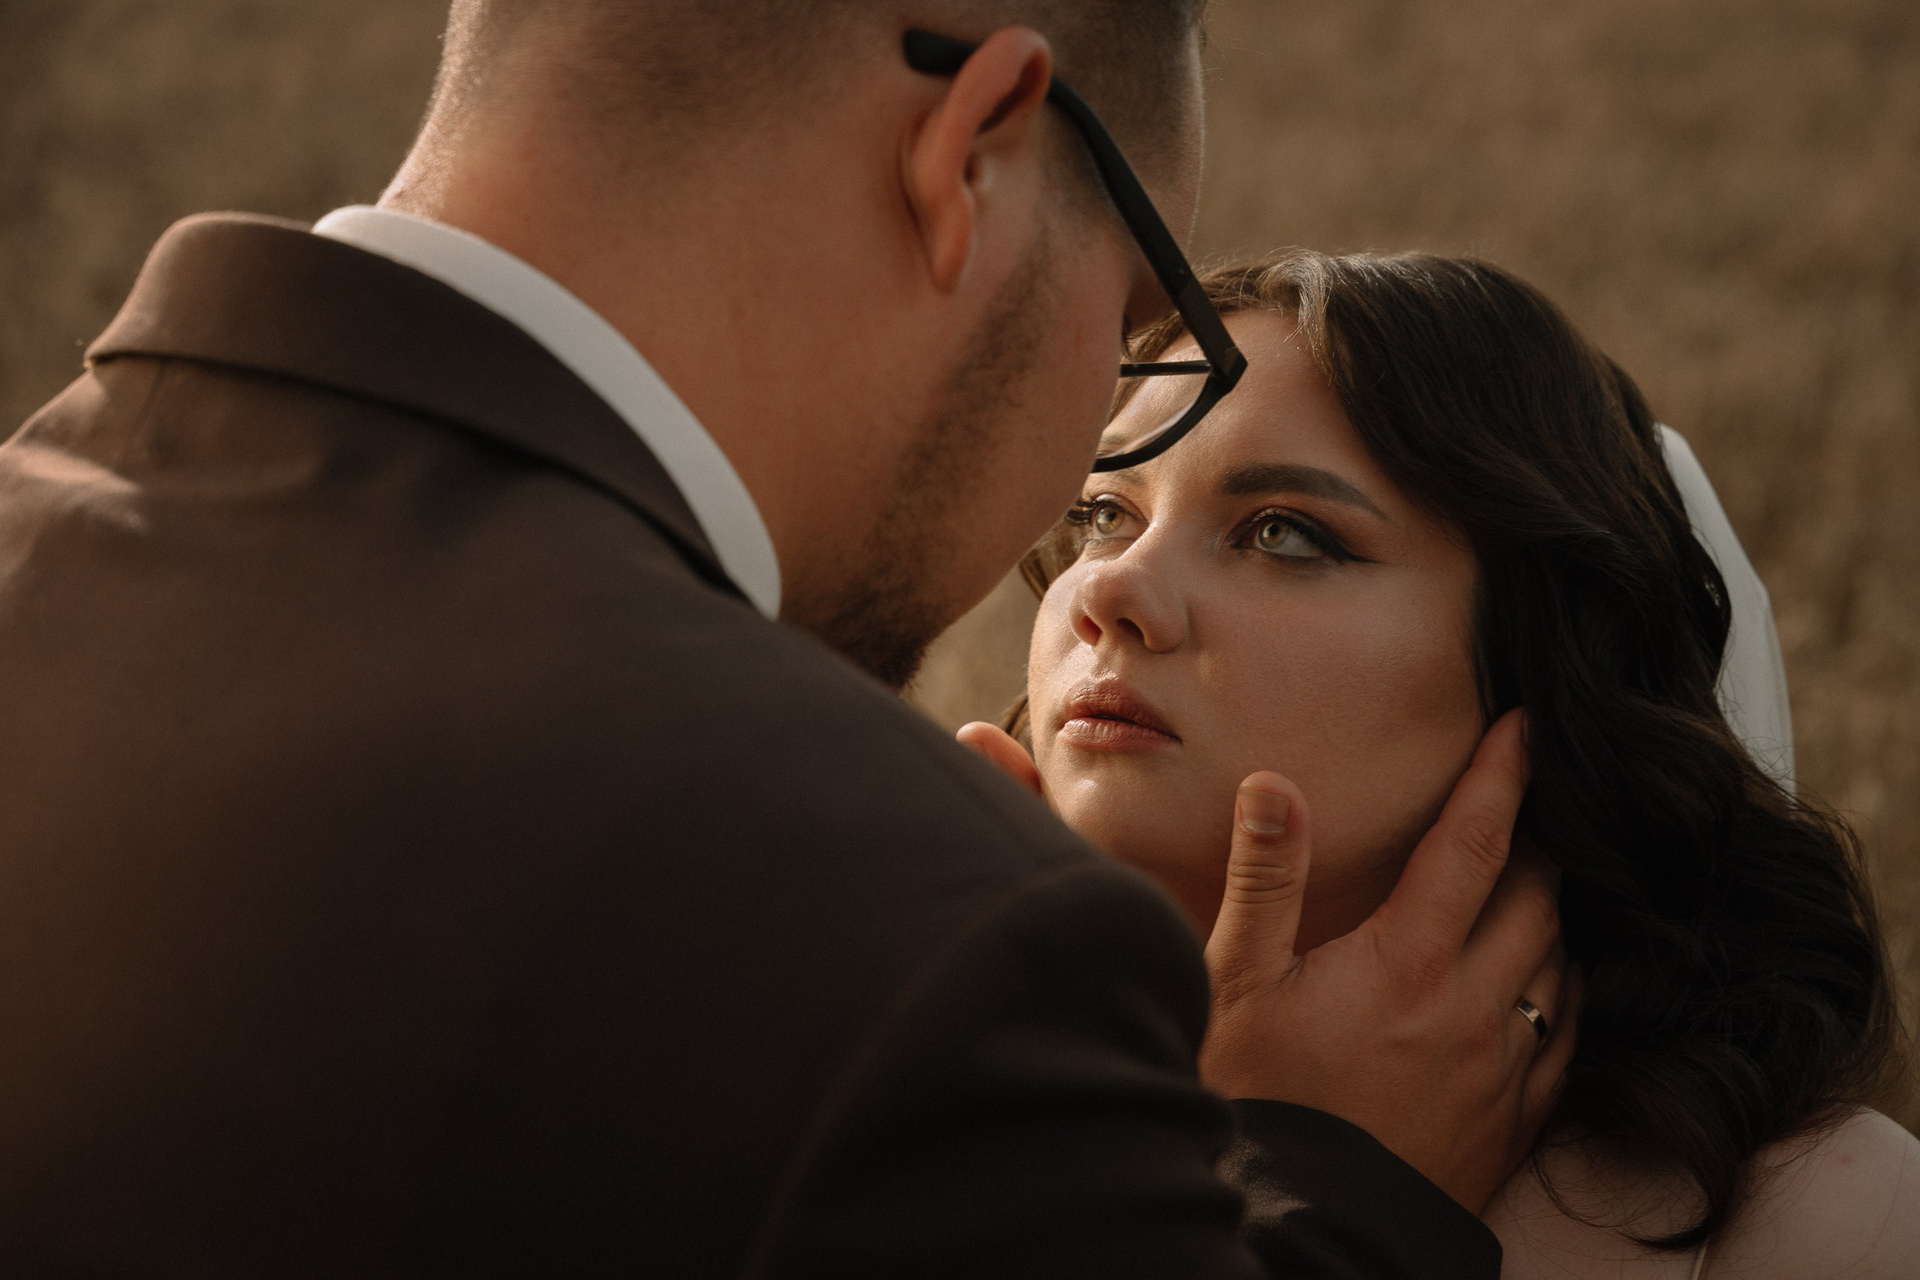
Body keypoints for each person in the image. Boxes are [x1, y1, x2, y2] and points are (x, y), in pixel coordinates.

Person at [0, 5, 1568, 1277]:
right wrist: (1335, 1192)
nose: (1093, 563)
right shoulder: (910, 929)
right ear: (970, 149)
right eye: (1123, 319)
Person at [962, 250, 1920, 1277]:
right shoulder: (893, 1090)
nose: (1112, 592)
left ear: (1545, 665)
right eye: (1105, 513)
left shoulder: (1823, 1220)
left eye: (1285, 533)